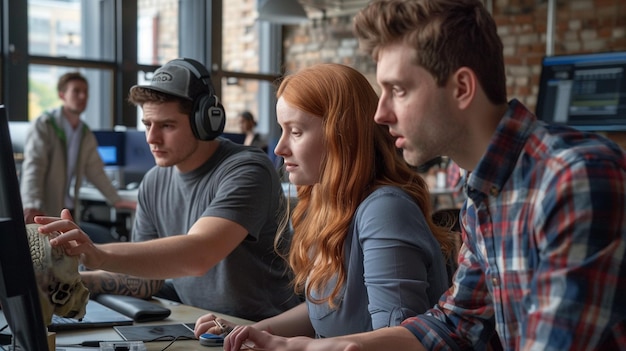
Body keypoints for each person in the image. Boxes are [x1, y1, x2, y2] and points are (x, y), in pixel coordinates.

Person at [220, 0, 626, 350]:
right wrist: (308, 346)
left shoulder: (575, 177)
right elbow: (453, 325)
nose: (380, 114)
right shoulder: (483, 193)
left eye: (398, 90)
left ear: (462, 88)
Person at [194, 63, 454, 341]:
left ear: (341, 136)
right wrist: (251, 331)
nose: (280, 149)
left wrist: (290, 347)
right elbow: (327, 310)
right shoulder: (329, 205)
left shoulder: (385, 210)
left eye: (295, 132)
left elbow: (395, 338)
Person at [36, 58, 301, 322]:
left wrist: (99, 254)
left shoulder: (247, 169)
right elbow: (146, 279)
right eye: (148, 125)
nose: (152, 138)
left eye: (167, 125)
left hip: (265, 330)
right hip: (199, 325)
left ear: (204, 121)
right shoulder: (153, 182)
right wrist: (66, 281)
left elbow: (199, 254)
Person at [20, 72, 136, 242]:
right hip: (43, 210)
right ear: (62, 95)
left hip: (69, 209)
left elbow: (95, 170)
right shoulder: (45, 125)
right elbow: (34, 167)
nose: (83, 96)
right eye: (76, 91)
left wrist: (116, 200)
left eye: (85, 91)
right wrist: (31, 204)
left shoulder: (84, 132)